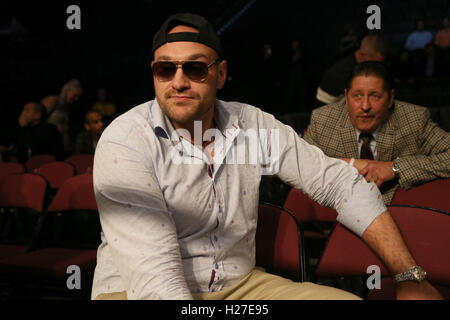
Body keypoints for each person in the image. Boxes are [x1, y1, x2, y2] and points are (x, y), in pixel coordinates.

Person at [92, 13, 442, 300]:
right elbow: (157, 283)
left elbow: (340, 183)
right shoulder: (125, 142)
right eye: (165, 69)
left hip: (239, 288)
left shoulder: (252, 124)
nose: (179, 81)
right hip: (136, 290)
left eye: (195, 69)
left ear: (221, 74)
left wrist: (409, 276)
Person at [304, 61, 450, 205]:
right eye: (357, 96)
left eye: (375, 96)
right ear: (346, 98)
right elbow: (302, 168)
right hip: (334, 218)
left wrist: (395, 168)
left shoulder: (414, 120)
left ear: (390, 99)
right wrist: (349, 164)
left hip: (397, 215)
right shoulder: (322, 121)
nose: (365, 106)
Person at [316, 33, 388, 106]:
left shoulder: (361, 64)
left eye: (380, 63)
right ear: (362, 55)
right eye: (373, 62)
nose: (377, 67)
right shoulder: (342, 73)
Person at [46, 79, 83, 154]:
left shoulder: (67, 107)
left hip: (59, 144)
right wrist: (54, 127)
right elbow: (39, 121)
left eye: (78, 97)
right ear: (67, 91)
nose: (76, 99)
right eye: (75, 95)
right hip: (47, 142)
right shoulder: (52, 100)